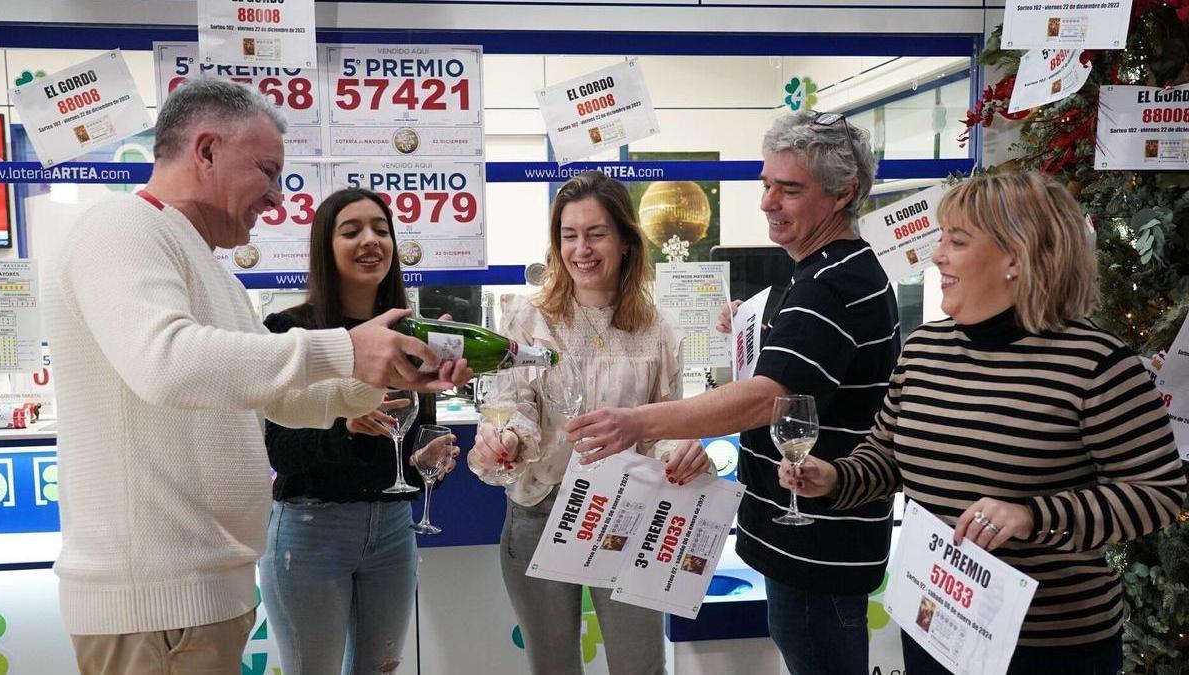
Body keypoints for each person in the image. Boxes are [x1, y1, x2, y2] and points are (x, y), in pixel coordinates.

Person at [42, 79, 472, 675]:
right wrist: (343, 348)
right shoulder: (121, 228)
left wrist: (382, 373)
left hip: (200, 596)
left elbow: (279, 399)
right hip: (157, 603)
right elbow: (166, 364)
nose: (276, 196)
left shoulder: (210, 270)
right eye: (267, 171)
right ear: (208, 150)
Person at [781, 172, 1189, 674]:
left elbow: (1159, 493)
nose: (937, 255)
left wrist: (1032, 515)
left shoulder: (1096, 363)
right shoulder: (924, 350)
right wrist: (836, 478)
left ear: (1015, 258)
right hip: (936, 622)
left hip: (1048, 646)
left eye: (957, 240)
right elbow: (886, 456)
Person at [566, 111, 900, 674]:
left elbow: (769, 398)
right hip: (808, 538)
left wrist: (639, 422)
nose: (768, 202)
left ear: (846, 193)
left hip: (819, 544)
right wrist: (753, 322)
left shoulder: (831, 284)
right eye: (766, 184)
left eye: (789, 189)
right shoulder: (820, 271)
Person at [467, 170, 710, 675]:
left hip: (626, 514)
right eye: (569, 235)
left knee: (639, 665)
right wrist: (506, 437)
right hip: (538, 511)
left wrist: (683, 450)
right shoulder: (526, 319)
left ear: (624, 240)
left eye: (596, 233)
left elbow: (665, 424)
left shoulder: (658, 330)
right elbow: (512, 402)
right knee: (552, 666)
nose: (582, 249)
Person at [258, 188, 461, 675]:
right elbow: (278, 449)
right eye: (351, 231)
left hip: (393, 531)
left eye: (381, 229)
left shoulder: (414, 336)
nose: (370, 241)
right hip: (310, 531)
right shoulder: (290, 331)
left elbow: (408, 440)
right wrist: (344, 427)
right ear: (325, 248)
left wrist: (426, 464)